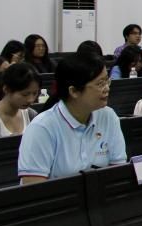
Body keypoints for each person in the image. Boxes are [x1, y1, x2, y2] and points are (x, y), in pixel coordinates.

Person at [17, 55, 126, 183]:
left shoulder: (108, 116)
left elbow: (118, 172)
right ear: (74, 91)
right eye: (100, 84)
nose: (107, 88)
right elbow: (34, 188)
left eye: (107, 81)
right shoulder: (41, 128)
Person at [0, 63, 40, 137]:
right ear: (6, 89)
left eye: (35, 93)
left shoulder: (31, 115)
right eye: (25, 94)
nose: (31, 100)